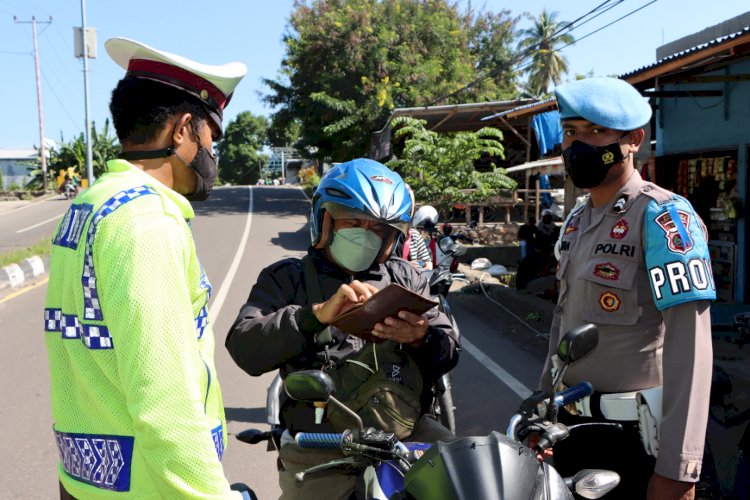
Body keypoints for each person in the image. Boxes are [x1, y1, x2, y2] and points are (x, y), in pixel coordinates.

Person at [44, 37, 249, 499]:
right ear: (182, 130)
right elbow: (165, 399)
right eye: (210, 137)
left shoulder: (89, 205)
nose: (212, 155)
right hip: (150, 488)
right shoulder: (147, 224)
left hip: (87, 483)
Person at [225, 158, 459, 499]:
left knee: (472, 476)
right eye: (353, 222)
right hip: (321, 447)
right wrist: (313, 316)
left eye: (378, 228)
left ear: (392, 236)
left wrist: (421, 336)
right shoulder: (287, 279)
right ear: (326, 221)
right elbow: (244, 346)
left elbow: (449, 350)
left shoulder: (406, 278)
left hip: (406, 440)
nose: (365, 234)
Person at [536, 77, 715, 499]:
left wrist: (679, 467)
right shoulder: (578, 220)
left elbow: (691, 349)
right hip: (570, 430)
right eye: (570, 132)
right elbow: (562, 326)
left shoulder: (663, 218)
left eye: (596, 131)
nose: (578, 144)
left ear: (633, 139)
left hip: (639, 438)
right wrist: (541, 413)